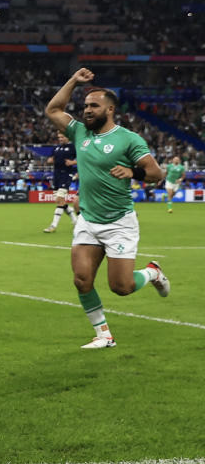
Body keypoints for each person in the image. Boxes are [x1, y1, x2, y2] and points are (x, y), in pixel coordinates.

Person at [45, 67, 170, 350]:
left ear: (110, 109)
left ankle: (152, 272)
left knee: (121, 287)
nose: (87, 110)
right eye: (85, 105)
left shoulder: (128, 139)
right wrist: (74, 82)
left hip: (119, 223)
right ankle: (104, 334)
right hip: (89, 220)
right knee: (81, 279)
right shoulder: (79, 132)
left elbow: (156, 174)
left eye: (94, 106)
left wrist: (133, 173)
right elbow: (53, 109)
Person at [43, 132, 79, 232]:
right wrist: (50, 160)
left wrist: (73, 162)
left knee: (59, 198)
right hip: (56, 176)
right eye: (59, 137)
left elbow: (83, 158)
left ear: (68, 137)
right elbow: (51, 159)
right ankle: (75, 219)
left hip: (66, 175)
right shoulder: (56, 148)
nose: (60, 139)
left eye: (62, 137)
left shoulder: (73, 147)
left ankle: (53, 226)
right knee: (60, 201)